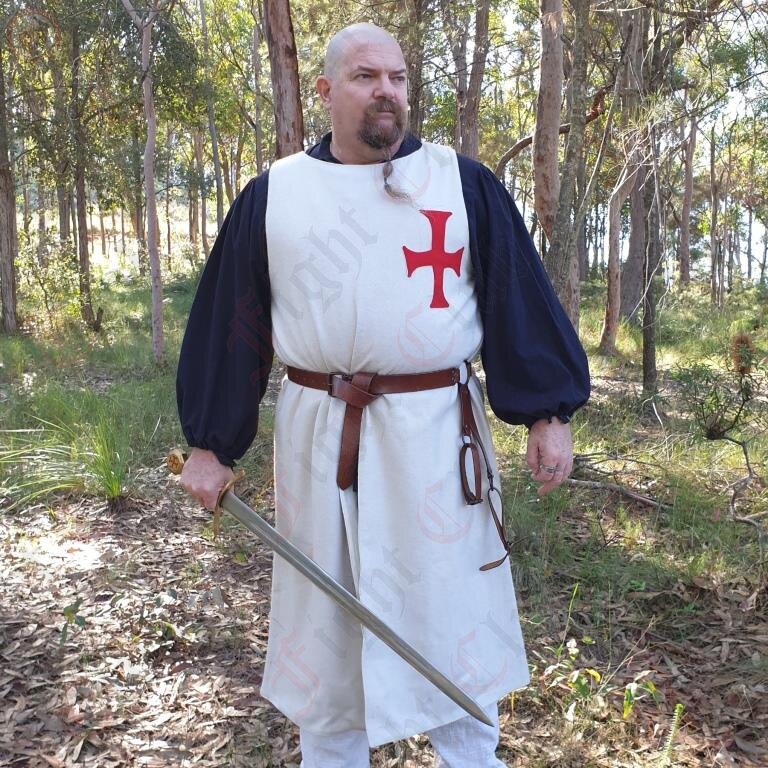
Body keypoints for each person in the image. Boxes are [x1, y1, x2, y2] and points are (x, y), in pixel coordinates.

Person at [177, 22, 589, 768]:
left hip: (437, 435)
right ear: (326, 90)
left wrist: (547, 413)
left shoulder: (461, 184)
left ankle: (473, 760)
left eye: (397, 77)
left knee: (450, 607)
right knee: (325, 619)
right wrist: (210, 442)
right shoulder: (276, 194)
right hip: (320, 436)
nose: (386, 92)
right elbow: (230, 326)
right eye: (366, 77)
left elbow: (518, 303)